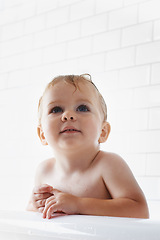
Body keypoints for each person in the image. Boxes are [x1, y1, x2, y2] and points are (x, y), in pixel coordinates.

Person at [27, 74, 149, 219]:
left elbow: (139, 210)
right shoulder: (44, 171)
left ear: (103, 131)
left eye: (82, 108)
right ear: (42, 134)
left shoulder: (108, 165)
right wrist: (35, 205)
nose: (68, 115)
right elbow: (31, 218)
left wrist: (78, 204)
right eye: (56, 109)